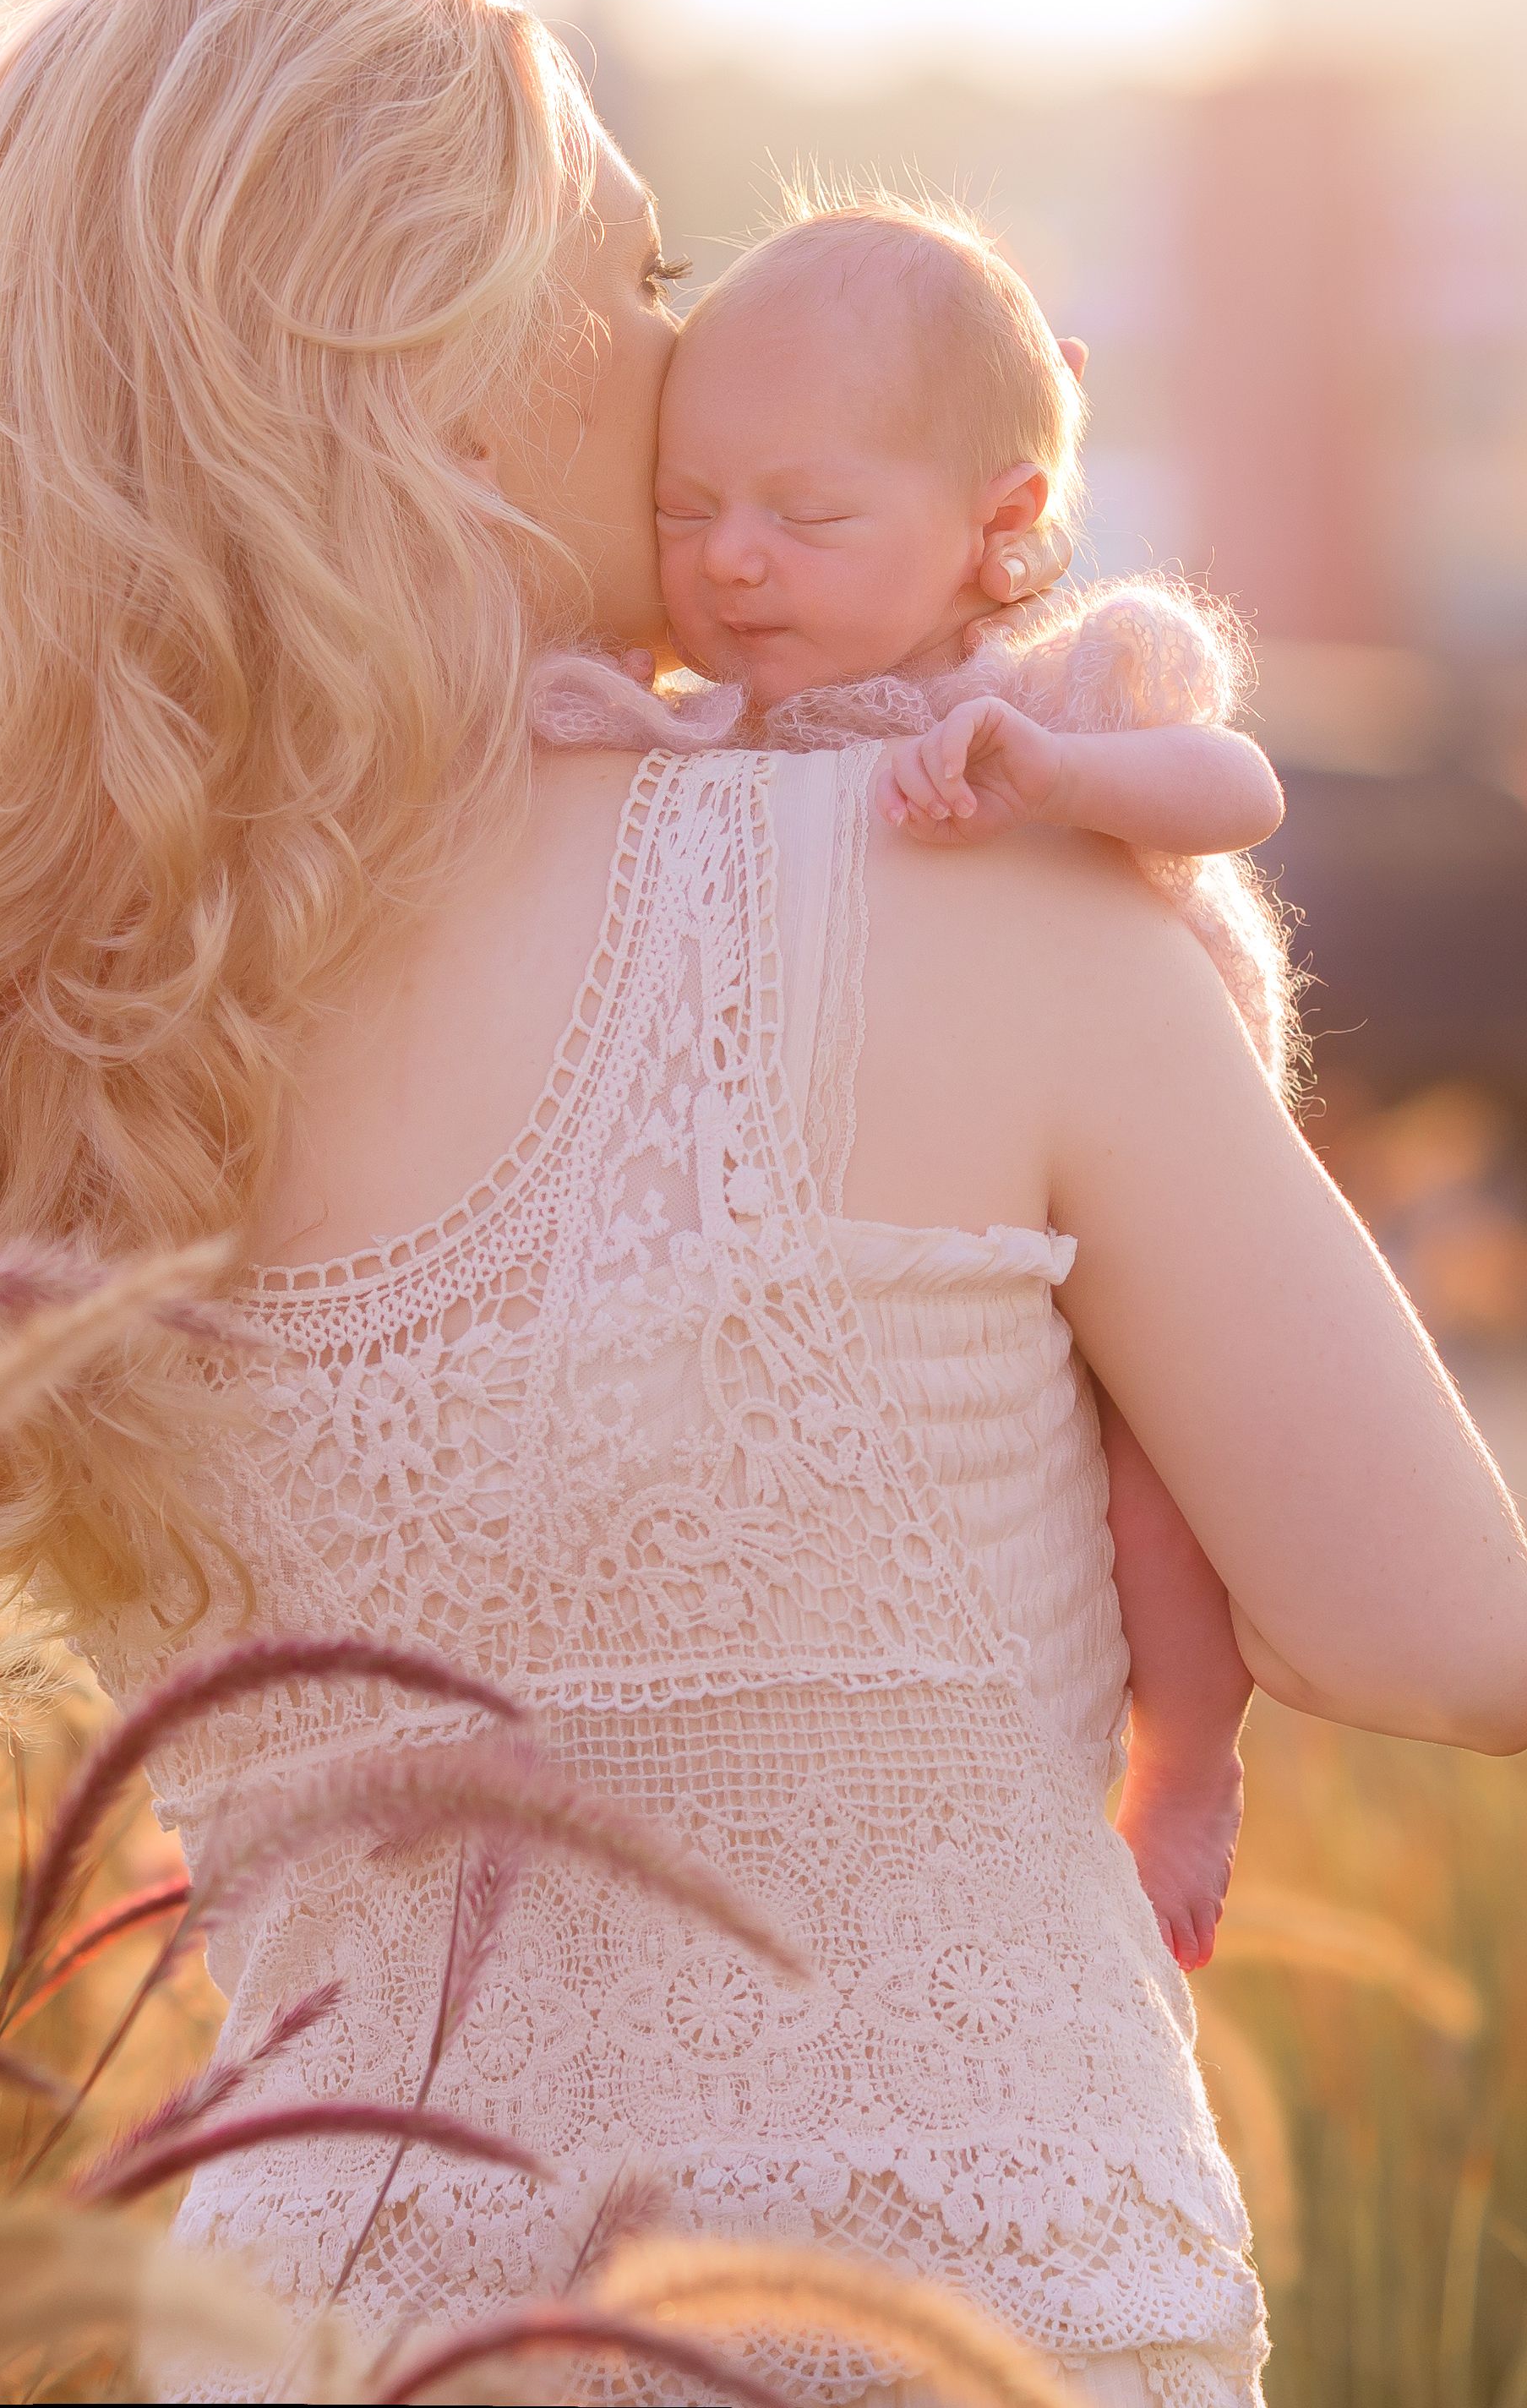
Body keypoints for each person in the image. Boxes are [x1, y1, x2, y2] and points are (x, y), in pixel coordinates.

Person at [0, 0, 1527, 2406]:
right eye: (635, 277)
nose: (696, 350)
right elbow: (1451, 1642)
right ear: (439, 369)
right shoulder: (964, 888)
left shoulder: (52, 1057)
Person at [530, 191, 1292, 1969]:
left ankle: (1189, 1765)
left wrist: (1056, 780)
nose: (733, 562)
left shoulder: (1053, 689)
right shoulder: (720, 709)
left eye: (806, 518)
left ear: (999, 532)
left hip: (1151, 1179)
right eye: (687, 511)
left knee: (1157, 1495)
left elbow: (1237, 794)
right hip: (936, 1200)